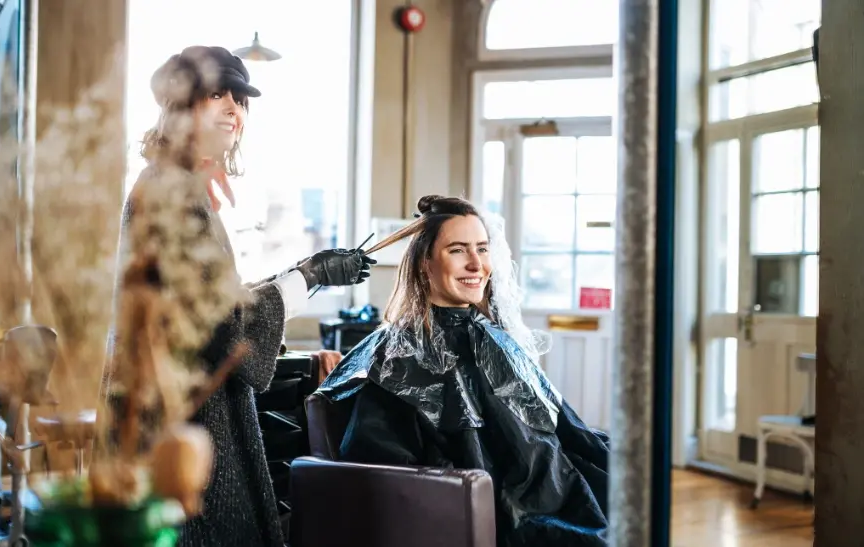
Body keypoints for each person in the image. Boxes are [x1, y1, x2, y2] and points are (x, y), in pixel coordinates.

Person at [102, 46, 375, 547]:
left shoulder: (178, 186)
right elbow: (226, 324)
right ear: (180, 109)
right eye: (215, 94)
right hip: (181, 426)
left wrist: (303, 275)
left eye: (241, 99)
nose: (233, 108)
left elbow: (210, 300)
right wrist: (309, 275)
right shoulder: (170, 192)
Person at [316, 195, 609, 547]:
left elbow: (560, 430)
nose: (476, 265)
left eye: (482, 249)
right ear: (425, 263)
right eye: (457, 250)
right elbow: (383, 472)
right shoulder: (395, 356)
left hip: (548, 492)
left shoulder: (496, 339)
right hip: (479, 511)